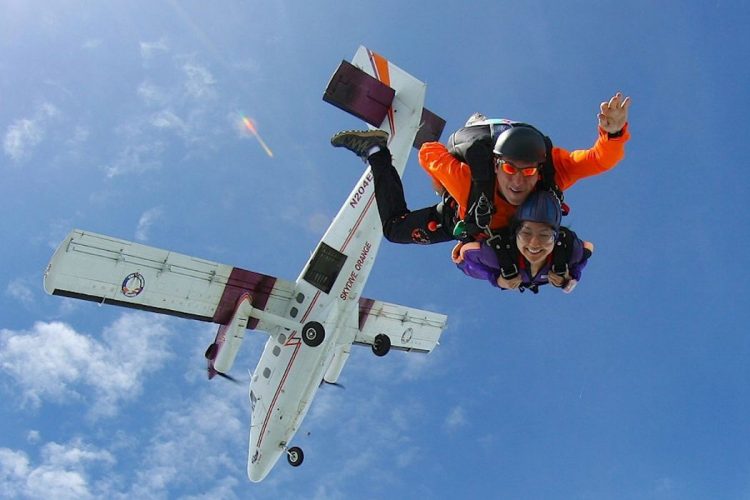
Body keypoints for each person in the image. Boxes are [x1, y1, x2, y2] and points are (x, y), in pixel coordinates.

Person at [331, 92, 631, 249]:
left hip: (495, 224)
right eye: (511, 168)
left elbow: (600, 160)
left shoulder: (554, 169)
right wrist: (442, 186)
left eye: (528, 173)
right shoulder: (465, 182)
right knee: (395, 229)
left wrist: (613, 133)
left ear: (540, 169)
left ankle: (478, 122)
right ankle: (375, 151)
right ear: (497, 164)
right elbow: (428, 151)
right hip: (465, 211)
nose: (517, 180)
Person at [453, 189, 593, 293]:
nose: (534, 244)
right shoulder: (495, 255)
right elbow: (465, 254)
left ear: (556, 238)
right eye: (526, 233)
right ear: (515, 234)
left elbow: (588, 248)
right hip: (482, 262)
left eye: (544, 236)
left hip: (511, 270)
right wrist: (495, 279)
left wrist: (571, 277)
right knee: (463, 263)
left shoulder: (569, 252)